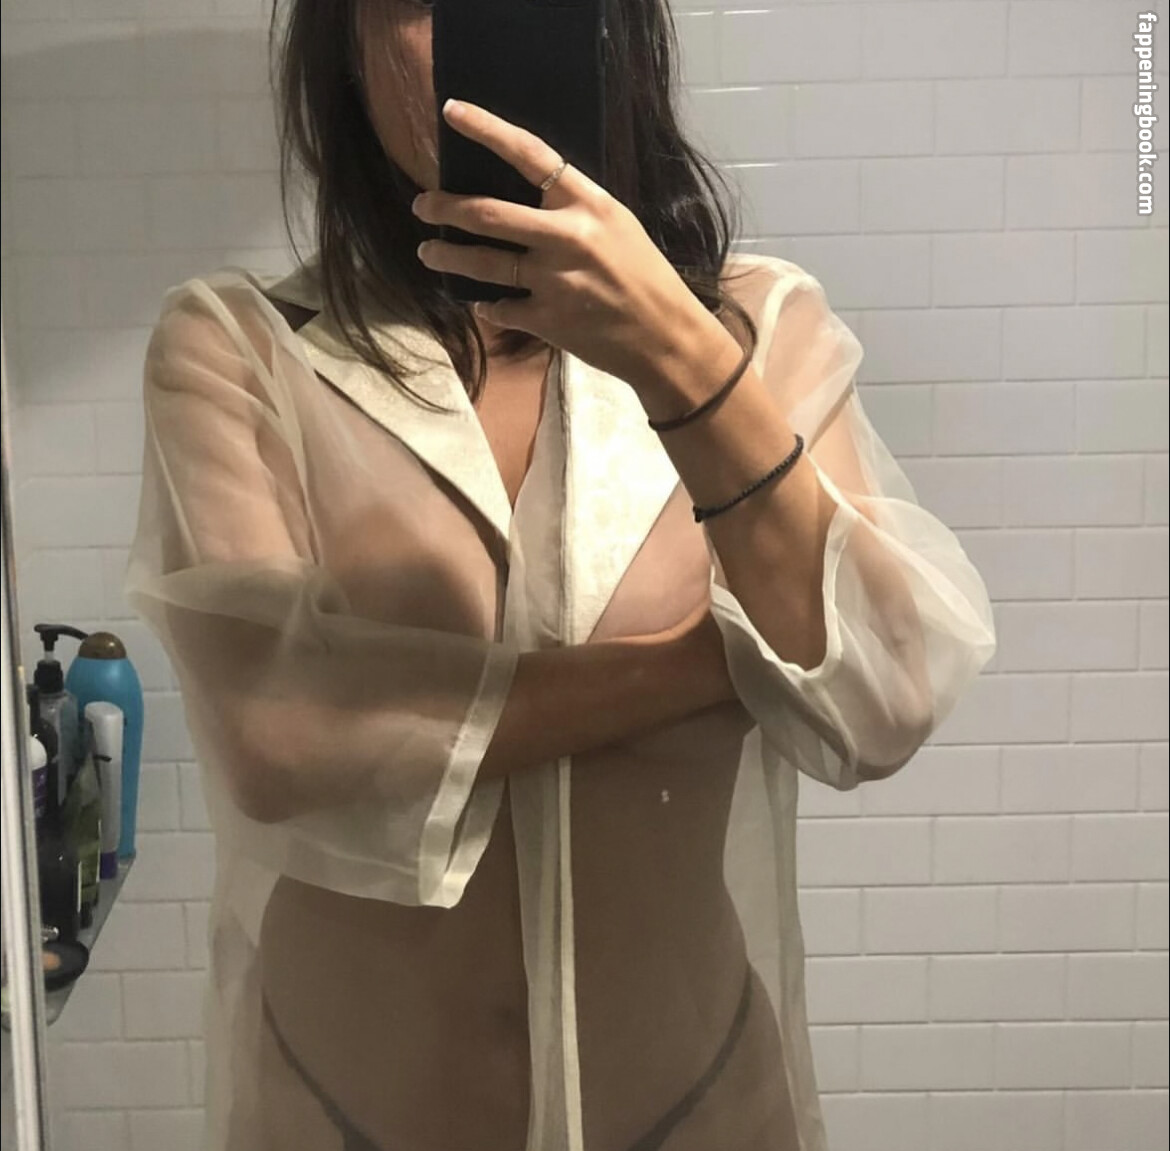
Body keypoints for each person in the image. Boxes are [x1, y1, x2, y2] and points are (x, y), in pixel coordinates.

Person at [122, 1, 998, 1148]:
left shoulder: (754, 328)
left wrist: (676, 358)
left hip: (700, 1108)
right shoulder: (241, 349)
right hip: (337, 1115)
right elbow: (280, 737)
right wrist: (714, 662)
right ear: (344, 44)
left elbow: (880, 691)